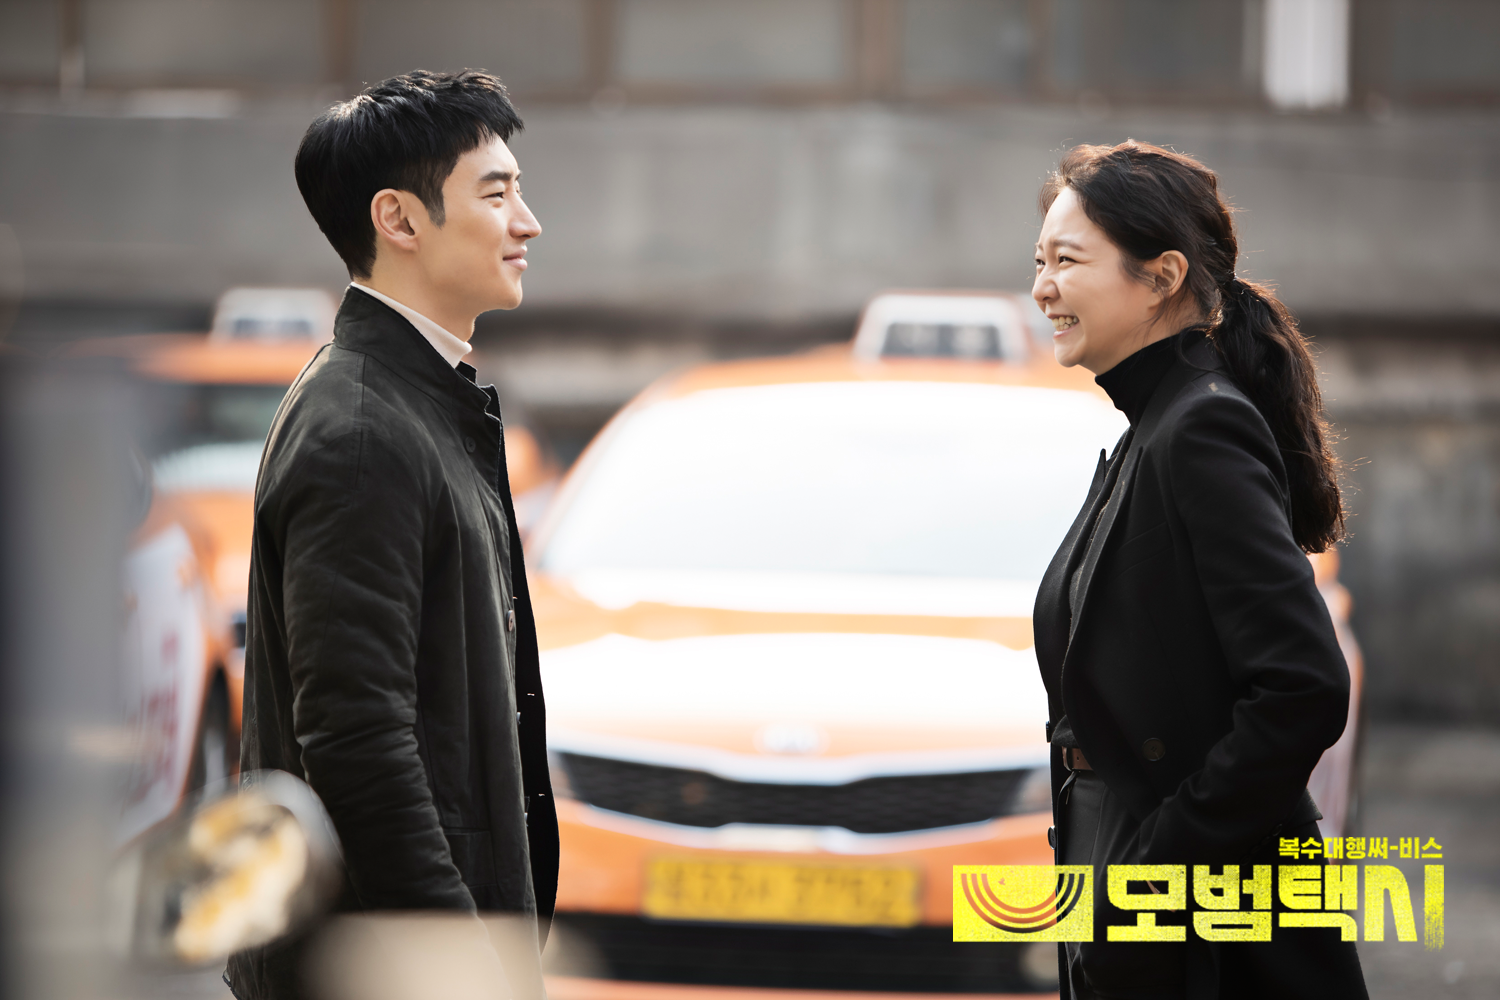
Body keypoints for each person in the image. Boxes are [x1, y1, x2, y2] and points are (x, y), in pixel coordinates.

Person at [225, 70, 553, 1000]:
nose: (527, 223)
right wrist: (459, 964)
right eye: (495, 194)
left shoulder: (415, 403)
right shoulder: (363, 431)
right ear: (399, 220)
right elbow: (357, 740)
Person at [1030, 141, 1368, 999]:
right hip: (1122, 860)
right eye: (1039, 262)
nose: (1043, 289)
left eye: (1067, 261)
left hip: (1196, 902)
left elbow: (1303, 688)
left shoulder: (1199, 429)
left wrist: (1155, 875)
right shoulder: (1152, 427)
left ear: (1162, 276)